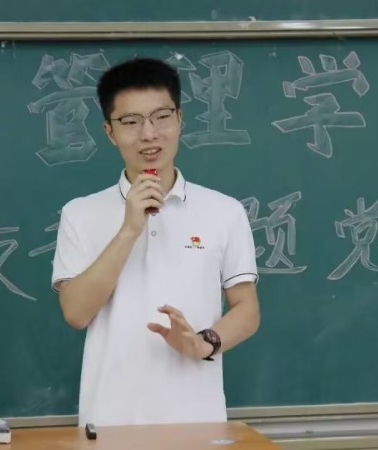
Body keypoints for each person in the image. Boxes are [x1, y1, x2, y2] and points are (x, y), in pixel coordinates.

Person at [52, 57, 260, 427]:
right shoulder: (80, 214)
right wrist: (129, 228)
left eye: (161, 117)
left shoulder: (224, 211)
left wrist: (203, 342)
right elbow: (76, 313)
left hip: (198, 421)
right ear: (110, 132)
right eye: (130, 122)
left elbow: (247, 309)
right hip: (109, 422)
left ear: (180, 119)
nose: (148, 134)